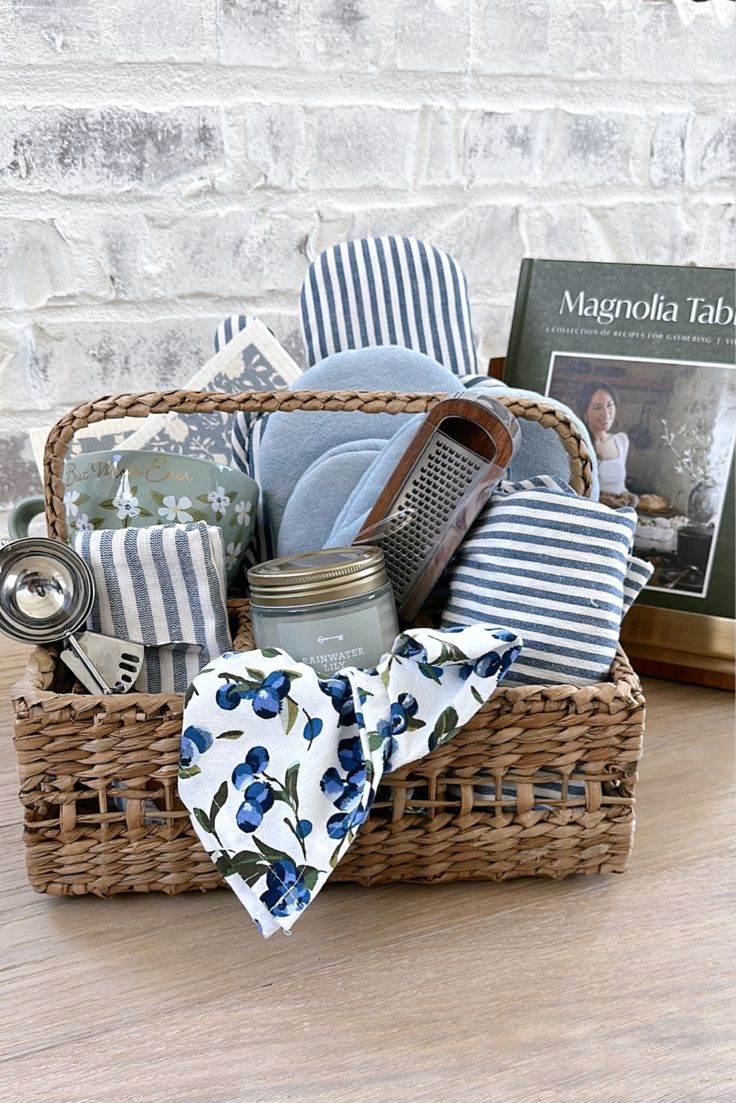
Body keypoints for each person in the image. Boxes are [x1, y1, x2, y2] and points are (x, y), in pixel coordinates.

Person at [579, 381, 639, 508]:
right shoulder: (580, 444)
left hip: (616, 514)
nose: (606, 414)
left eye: (609, 405)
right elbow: (574, 491)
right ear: (584, 414)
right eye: (597, 407)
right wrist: (600, 500)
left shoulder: (621, 441)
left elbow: (619, 485)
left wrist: (626, 494)